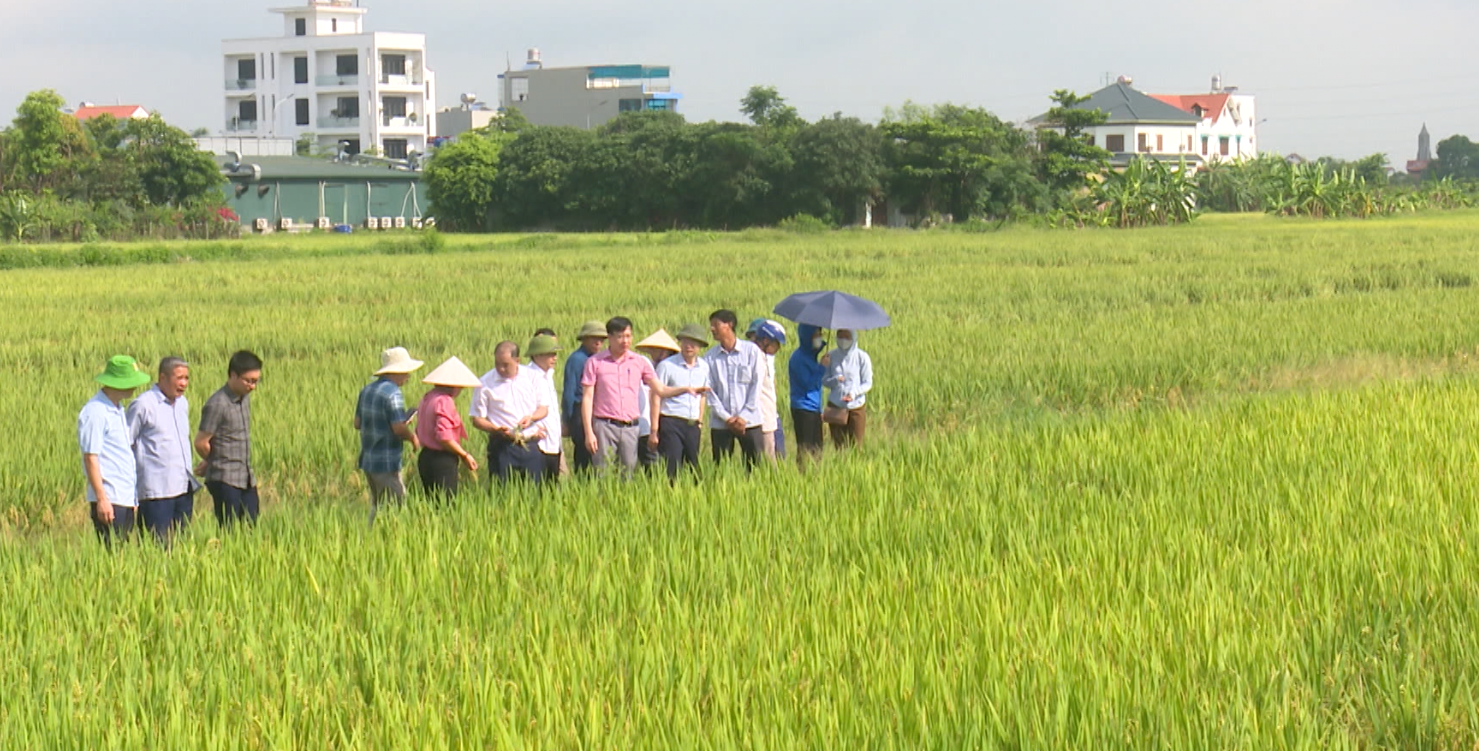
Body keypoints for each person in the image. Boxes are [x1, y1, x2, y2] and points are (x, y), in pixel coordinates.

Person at [80, 355, 152, 547]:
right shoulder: (96, 412)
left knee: (122, 552)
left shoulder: (117, 408)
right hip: (110, 499)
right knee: (113, 554)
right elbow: (90, 458)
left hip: (123, 497)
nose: (134, 387)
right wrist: (102, 499)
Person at [127, 356, 199, 545]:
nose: (183, 383)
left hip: (183, 487)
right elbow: (127, 444)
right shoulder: (144, 404)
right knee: (156, 546)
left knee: (182, 544)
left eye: (186, 378)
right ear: (162, 377)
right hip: (156, 491)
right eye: (179, 378)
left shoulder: (182, 403)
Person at [354, 346, 423, 524]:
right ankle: (389, 543)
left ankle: (369, 541)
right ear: (397, 372)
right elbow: (398, 428)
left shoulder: (366, 390)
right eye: (406, 372)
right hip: (386, 461)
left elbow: (357, 423)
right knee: (397, 508)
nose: (408, 377)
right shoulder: (393, 393)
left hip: (369, 460)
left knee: (378, 506)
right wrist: (412, 437)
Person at [196, 350, 262, 528]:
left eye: (256, 381)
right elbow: (201, 442)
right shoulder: (217, 403)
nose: (252, 386)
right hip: (225, 478)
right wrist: (211, 460)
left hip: (246, 475)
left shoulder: (244, 398)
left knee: (251, 525)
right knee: (229, 529)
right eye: (249, 380)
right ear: (233, 375)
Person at [470, 341, 551, 486]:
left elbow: (543, 408)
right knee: (502, 490)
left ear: (517, 361)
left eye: (505, 364)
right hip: (502, 445)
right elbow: (476, 418)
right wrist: (495, 429)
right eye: (497, 363)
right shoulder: (485, 383)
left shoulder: (533, 378)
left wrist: (531, 417)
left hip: (530, 443)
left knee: (536, 490)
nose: (501, 368)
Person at [704, 309, 766, 470]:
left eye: (716, 324)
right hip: (721, 422)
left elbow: (756, 384)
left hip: (750, 421)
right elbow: (709, 391)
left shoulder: (751, 351)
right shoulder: (710, 357)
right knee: (721, 467)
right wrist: (727, 418)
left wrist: (743, 416)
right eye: (711, 325)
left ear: (729, 325)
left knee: (755, 466)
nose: (712, 329)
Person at [415, 357, 481, 498]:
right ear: (454, 385)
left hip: (425, 457)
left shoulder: (427, 398)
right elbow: (444, 437)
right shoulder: (445, 401)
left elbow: (418, 429)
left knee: (432, 503)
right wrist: (464, 455)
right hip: (442, 460)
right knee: (446, 504)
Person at [652, 324, 711, 481]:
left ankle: (693, 498)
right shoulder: (667, 365)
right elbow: (656, 395)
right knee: (672, 465)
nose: (688, 346)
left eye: (693, 342)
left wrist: (700, 420)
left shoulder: (704, 367)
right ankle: (671, 496)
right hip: (671, 421)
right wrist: (654, 429)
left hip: (692, 423)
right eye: (685, 341)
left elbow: (702, 396)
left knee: (693, 465)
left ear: (700, 346)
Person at [562, 321, 607, 474]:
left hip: (598, 410)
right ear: (585, 339)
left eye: (601, 339)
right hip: (579, 411)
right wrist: (567, 420)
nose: (598, 342)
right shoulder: (577, 359)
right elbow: (569, 392)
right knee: (584, 451)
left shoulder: (600, 359)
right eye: (594, 338)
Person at [634, 329, 680, 473]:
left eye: (655, 349)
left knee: (658, 465)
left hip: (666, 421)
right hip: (648, 422)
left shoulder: (669, 368)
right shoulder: (649, 367)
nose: (652, 352)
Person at [823, 329, 873, 448]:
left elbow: (868, 383)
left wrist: (854, 393)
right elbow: (824, 380)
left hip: (856, 407)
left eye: (847, 336)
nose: (843, 340)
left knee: (856, 445)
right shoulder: (830, 356)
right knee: (839, 445)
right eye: (840, 336)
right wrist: (835, 380)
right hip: (836, 405)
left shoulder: (862, 357)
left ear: (853, 338)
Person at [788, 324, 829, 468]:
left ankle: (815, 476)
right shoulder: (798, 358)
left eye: (820, 335)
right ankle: (803, 475)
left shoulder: (811, 356)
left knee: (817, 448)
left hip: (813, 408)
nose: (818, 338)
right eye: (815, 336)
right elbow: (808, 383)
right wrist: (822, 368)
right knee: (805, 448)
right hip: (803, 408)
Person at [525, 334, 563, 480]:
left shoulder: (548, 375)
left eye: (555, 354)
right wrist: (531, 430)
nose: (555, 358)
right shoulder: (528, 376)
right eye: (550, 354)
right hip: (538, 444)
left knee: (552, 487)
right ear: (537, 355)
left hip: (553, 442)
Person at [749, 320, 788, 461]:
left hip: (769, 417)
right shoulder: (754, 357)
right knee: (766, 461)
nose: (778, 348)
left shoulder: (765, 357)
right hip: (760, 419)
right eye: (776, 343)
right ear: (765, 340)